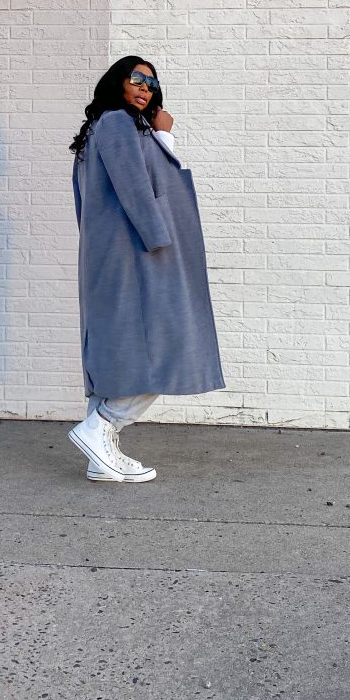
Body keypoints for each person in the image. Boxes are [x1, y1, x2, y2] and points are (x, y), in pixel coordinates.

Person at [66, 56, 225, 482]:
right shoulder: (118, 123)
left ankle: (99, 456)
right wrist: (164, 136)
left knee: (116, 354)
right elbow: (142, 188)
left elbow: (90, 205)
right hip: (138, 253)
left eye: (152, 83)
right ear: (116, 82)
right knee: (168, 346)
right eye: (137, 78)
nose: (145, 87)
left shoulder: (99, 129)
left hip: (114, 255)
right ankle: (101, 426)